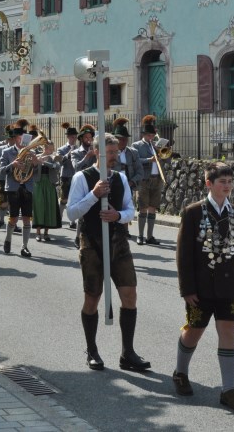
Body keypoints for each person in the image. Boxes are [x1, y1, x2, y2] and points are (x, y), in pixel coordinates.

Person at [67, 133, 151, 373]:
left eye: (116, 152)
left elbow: (130, 211)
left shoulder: (121, 178)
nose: (114, 156)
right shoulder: (82, 178)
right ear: (96, 152)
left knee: (130, 295)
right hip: (91, 241)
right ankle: (92, 350)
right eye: (110, 152)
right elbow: (72, 214)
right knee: (92, 297)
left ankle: (128, 352)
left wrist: (118, 216)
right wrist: (94, 195)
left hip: (118, 242)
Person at [173, 162, 234, 410]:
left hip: (228, 287)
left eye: (230, 182)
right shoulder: (193, 212)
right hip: (201, 287)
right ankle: (181, 372)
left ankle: (228, 389)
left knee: (228, 331)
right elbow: (184, 254)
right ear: (209, 183)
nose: (227, 186)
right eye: (222, 182)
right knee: (194, 329)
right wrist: (187, 289)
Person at [0, 119, 41, 257]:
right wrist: (13, 165)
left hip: (27, 187)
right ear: (15, 139)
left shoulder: (30, 152)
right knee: (14, 218)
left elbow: (37, 173)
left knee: (27, 218)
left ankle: (24, 246)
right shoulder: (7, 152)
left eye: (24, 138)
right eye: (20, 137)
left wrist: (35, 163)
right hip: (13, 188)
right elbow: (1, 171)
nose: (23, 140)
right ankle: (8, 239)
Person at [132, 115, 168, 245]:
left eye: (152, 135)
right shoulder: (136, 145)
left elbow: (166, 160)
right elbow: (135, 162)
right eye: (149, 135)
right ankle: (140, 236)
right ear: (144, 134)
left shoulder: (156, 146)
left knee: (153, 207)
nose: (151, 137)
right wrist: (149, 160)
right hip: (144, 180)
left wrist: (162, 153)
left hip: (156, 179)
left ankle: (150, 236)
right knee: (143, 207)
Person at [33, 139, 62, 242]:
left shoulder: (53, 157)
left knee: (49, 207)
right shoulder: (37, 156)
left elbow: (57, 167)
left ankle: (46, 233)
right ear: (45, 148)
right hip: (39, 184)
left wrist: (45, 163)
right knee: (39, 207)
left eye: (52, 149)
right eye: (50, 149)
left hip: (50, 184)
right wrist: (36, 163)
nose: (52, 150)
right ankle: (38, 233)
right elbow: (32, 171)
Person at [112, 117, 143, 202]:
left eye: (125, 139)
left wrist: (131, 182)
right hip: (113, 187)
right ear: (115, 139)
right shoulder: (109, 153)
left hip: (129, 187)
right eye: (120, 139)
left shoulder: (133, 153)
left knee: (128, 210)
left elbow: (140, 172)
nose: (123, 141)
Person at [0, 125, 15, 231]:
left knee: (13, 202)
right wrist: (2, 159)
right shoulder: (1, 149)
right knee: (4, 201)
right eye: (10, 138)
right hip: (3, 178)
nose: (13, 140)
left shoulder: (19, 149)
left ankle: (13, 223)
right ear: (7, 139)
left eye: (14, 138)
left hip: (16, 178)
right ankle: (0, 220)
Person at [57, 122, 80, 229]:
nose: (74, 139)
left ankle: (72, 221)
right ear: (68, 137)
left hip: (75, 176)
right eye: (72, 137)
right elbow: (59, 163)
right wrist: (68, 153)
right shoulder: (61, 149)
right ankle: (59, 218)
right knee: (63, 199)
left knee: (74, 199)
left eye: (75, 137)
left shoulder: (79, 148)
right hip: (65, 176)